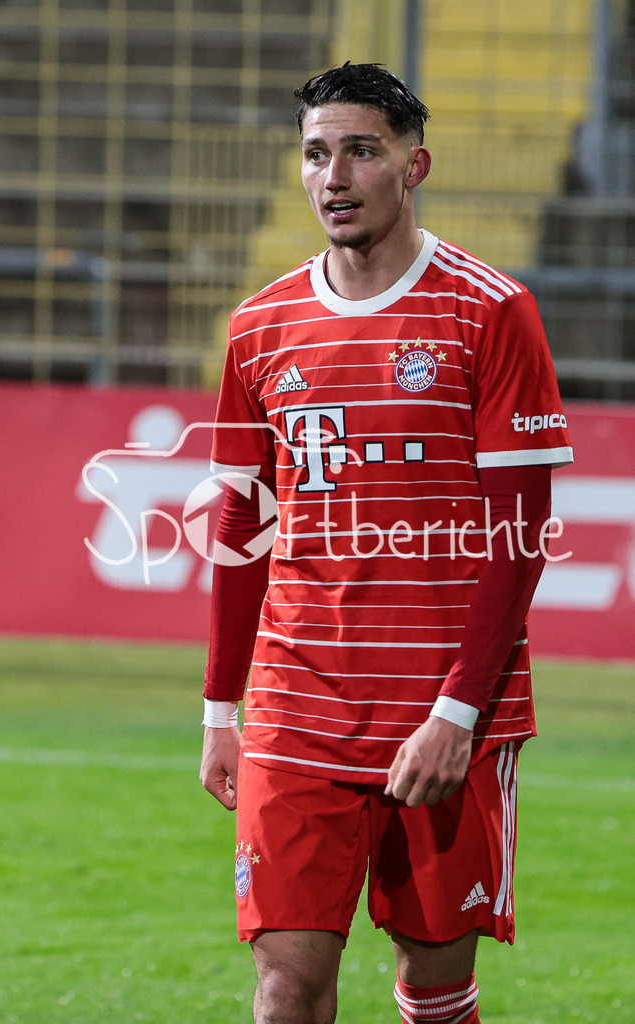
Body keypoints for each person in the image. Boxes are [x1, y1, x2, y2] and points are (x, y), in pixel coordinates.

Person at [200, 62, 573, 1024]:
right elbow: (242, 523)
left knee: (436, 987)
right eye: (316, 154)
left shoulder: (491, 311)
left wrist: (458, 711)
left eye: (362, 151)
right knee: (286, 985)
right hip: (297, 703)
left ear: (415, 166)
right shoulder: (258, 327)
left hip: (443, 708)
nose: (335, 176)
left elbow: (518, 535)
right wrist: (217, 708)